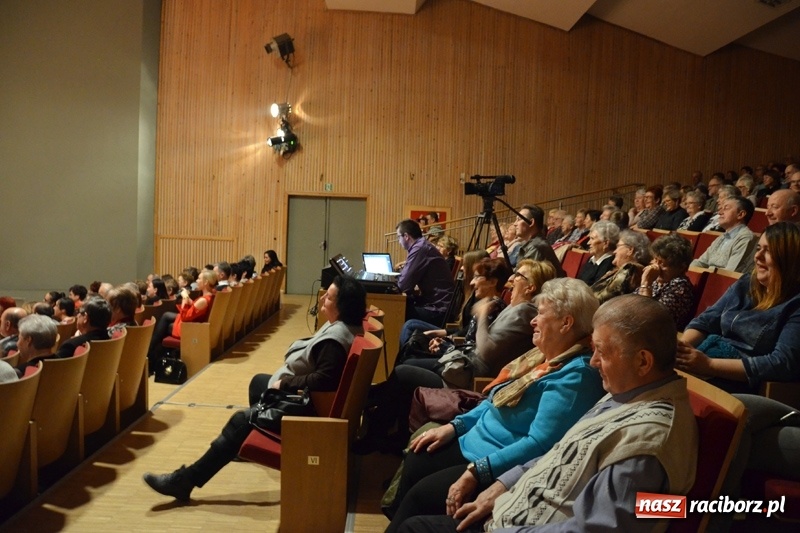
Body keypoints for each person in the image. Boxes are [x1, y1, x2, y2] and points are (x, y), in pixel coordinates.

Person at [398, 294, 698, 533]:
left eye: (602, 352)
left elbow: (598, 528)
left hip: (518, 524)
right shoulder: (624, 394)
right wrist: (501, 487)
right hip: (515, 504)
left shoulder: (647, 444)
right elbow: (560, 451)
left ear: (643, 361)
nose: (593, 362)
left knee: (415, 525)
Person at [384, 278, 604, 531]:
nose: (533, 320)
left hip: (496, 461)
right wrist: (454, 427)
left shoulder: (575, 377)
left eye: (541, 314)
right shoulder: (542, 358)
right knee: (418, 458)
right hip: (476, 442)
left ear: (566, 323)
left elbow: (540, 444)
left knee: (419, 498)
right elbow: (493, 400)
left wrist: (479, 470)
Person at [142, 275, 367, 502]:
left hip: (311, 414)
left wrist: (285, 383)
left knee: (240, 420)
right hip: (313, 401)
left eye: (328, 297)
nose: (322, 301)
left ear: (342, 306)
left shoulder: (334, 341)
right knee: (258, 382)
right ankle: (242, 440)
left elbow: (324, 379)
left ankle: (185, 480)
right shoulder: (348, 328)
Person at [361, 260, 552, 454]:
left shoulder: (524, 312)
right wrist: (449, 344)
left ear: (531, 286)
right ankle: (392, 429)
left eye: (519, 275)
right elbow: (477, 344)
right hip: (464, 367)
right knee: (409, 360)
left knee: (404, 373)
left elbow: (485, 352)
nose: (512, 278)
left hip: (470, 380)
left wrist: (483, 314)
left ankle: (377, 430)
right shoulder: (515, 308)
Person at [679, 221, 800, 393]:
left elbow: (782, 363)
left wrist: (709, 365)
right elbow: (707, 320)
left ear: (790, 259)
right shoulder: (746, 284)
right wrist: (680, 350)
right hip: (708, 360)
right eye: (758, 248)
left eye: (769, 250)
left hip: (740, 383)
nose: (758, 256)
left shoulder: (795, 303)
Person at [147, 270, 218, 368]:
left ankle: (149, 352)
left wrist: (185, 298)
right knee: (166, 316)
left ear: (206, 282)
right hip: (193, 324)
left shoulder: (203, 300)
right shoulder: (209, 296)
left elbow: (185, 318)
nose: (196, 281)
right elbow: (195, 309)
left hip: (190, 329)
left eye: (199, 279)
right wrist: (189, 300)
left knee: (164, 326)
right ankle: (152, 354)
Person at [396, 219, 455, 326]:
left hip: (438, 310)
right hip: (436, 304)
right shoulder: (421, 246)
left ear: (406, 236)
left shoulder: (420, 248)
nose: (398, 241)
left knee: (395, 310)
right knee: (401, 304)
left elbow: (403, 286)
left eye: (398, 237)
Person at [636, 233, 695, 330]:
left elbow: (650, 318)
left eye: (662, 263)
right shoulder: (657, 281)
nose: (656, 267)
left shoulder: (680, 286)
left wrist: (646, 283)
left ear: (681, 267)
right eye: (655, 260)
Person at [691, 197, 758, 273]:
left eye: (726, 208)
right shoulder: (722, 237)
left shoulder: (746, 238)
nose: (720, 212)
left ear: (740, 214)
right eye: (721, 208)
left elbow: (729, 273)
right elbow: (701, 262)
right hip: (708, 277)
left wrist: (704, 273)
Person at [591, 229, 652, 304]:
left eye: (618, 246)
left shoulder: (631, 269)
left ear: (630, 250)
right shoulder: (624, 269)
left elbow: (603, 298)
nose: (614, 251)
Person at [508, 204, 564, 276]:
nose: (515, 224)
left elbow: (525, 278)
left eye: (519, 219)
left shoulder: (537, 246)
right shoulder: (530, 243)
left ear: (531, 222)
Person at [576, 220, 618, 286]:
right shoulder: (591, 259)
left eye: (592, 239)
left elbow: (594, 290)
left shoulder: (610, 264)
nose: (588, 243)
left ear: (606, 243)